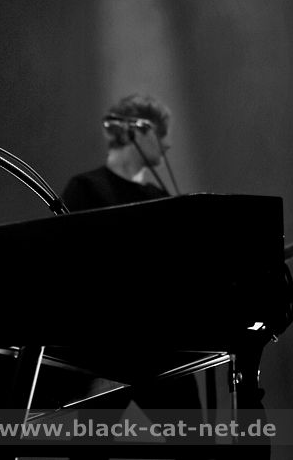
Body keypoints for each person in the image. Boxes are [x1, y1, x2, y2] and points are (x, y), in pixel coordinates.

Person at [61, 93, 202, 413]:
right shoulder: (86, 189)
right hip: (106, 354)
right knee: (92, 439)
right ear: (136, 131)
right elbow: (70, 273)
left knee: (193, 439)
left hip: (163, 349)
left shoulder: (159, 197)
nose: (167, 144)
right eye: (161, 133)